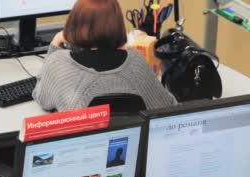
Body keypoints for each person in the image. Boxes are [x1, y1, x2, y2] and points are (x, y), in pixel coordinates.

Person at [33, 0, 176, 112]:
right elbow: (167, 106)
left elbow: (41, 96)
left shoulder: (58, 63)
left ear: (74, 24)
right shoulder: (135, 61)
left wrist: (55, 43)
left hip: (82, 147)